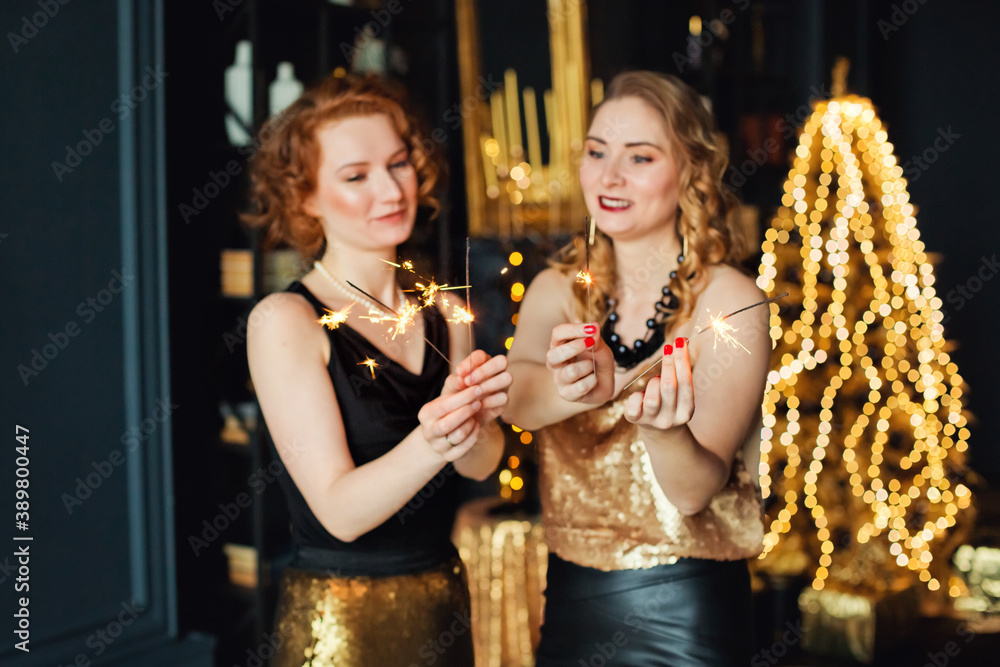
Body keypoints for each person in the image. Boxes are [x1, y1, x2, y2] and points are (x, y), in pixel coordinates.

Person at [504, 71, 770, 665]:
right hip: (571, 599)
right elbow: (519, 401)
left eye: (640, 157)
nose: (609, 177)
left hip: (688, 612)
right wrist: (588, 387)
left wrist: (657, 423)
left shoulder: (729, 300)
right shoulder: (558, 289)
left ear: (692, 172)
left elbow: (692, 492)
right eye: (597, 152)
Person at [244, 73, 510, 666]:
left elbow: (482, 464)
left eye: (398, 164)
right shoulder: (285, 320)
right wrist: (434, 438)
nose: (390, 190)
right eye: (356, 176)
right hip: (340, 626)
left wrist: (476, 424)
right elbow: (340, 515)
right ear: (305, 197)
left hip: (442, 607)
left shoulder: (445, 310)